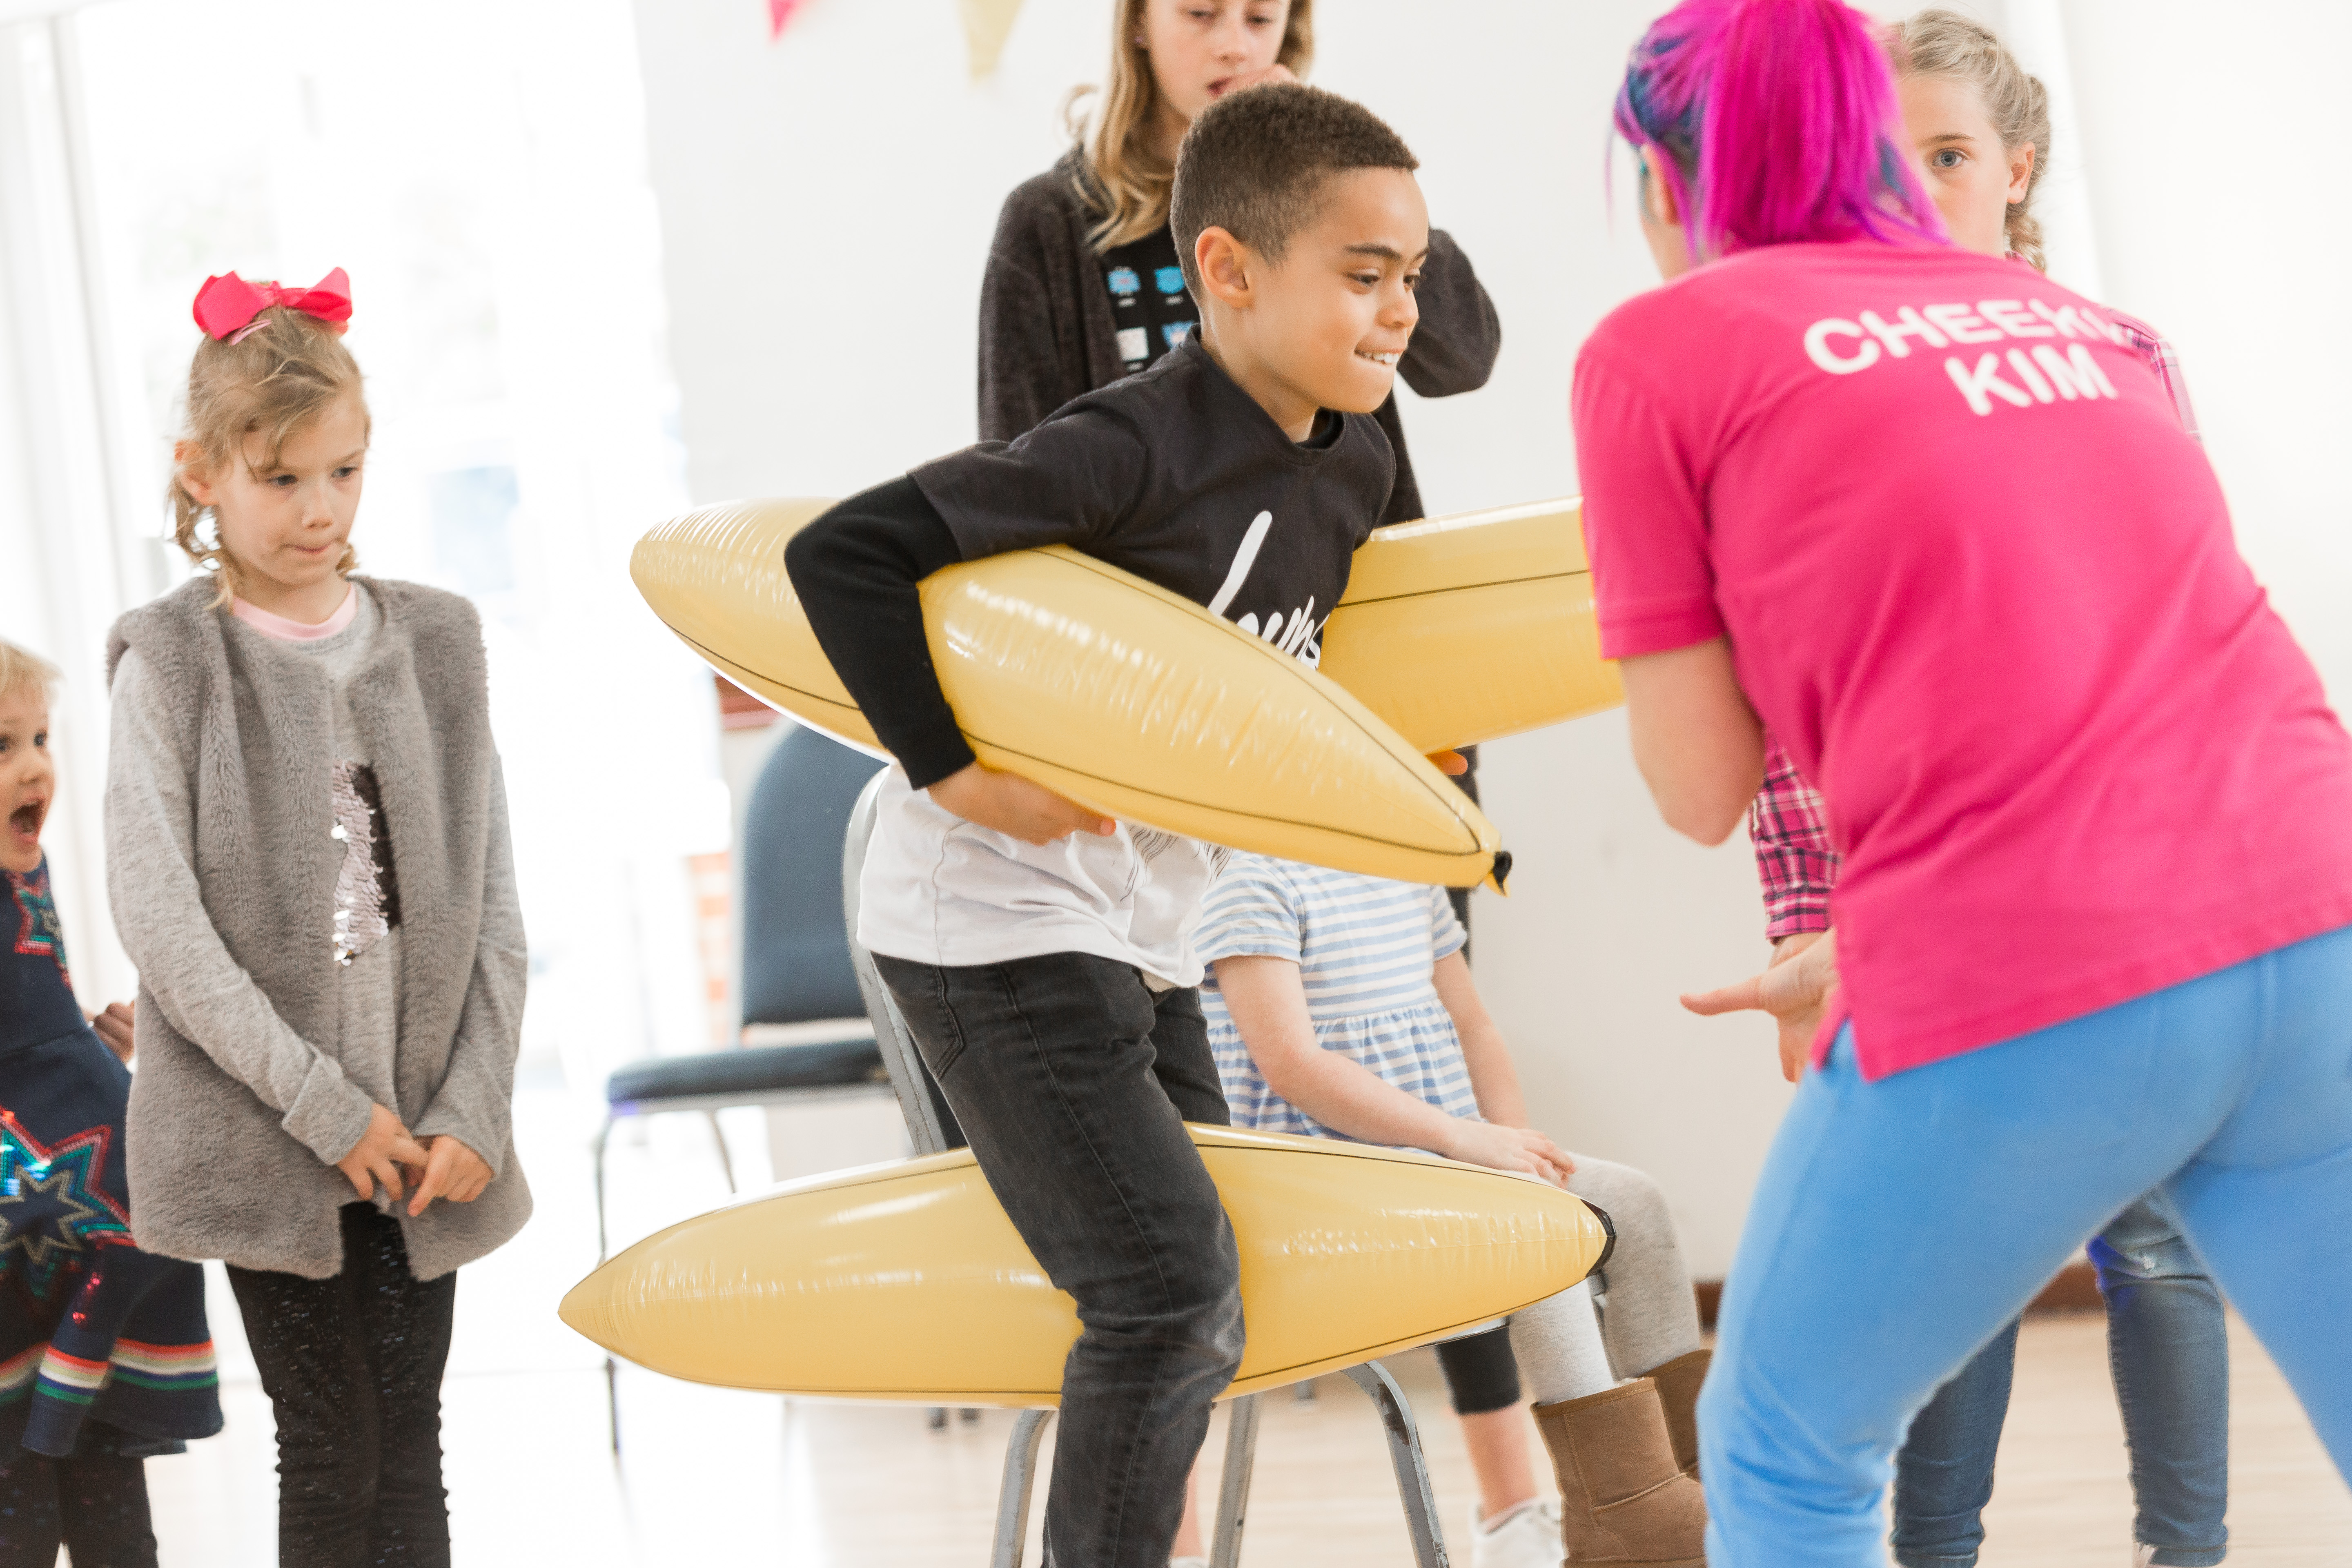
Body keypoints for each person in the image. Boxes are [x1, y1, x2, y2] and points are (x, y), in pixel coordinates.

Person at [1579, 0, 2352, 1563]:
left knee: (1786, 1448)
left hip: (2035, 968)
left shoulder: (1662, 346)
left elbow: (1698, 783)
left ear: (1672, 181)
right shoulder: (2081, 326)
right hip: (2316, 905)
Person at [786, 82, 1428, 1568]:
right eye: (1363, 274)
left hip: (1149, 925)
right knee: (1162, 1287)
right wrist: (957, 775)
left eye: (1411, 275)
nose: (1398, 313)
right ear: (1227, 271)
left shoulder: (1356, 462)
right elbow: (848, 555)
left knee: (1203, 1291)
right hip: (988, 921)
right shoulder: (1129, 442)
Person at [105, 270, 531, 1568]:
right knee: (332, 1448)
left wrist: (474, 1106)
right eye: (283, 478)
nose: (321, 510)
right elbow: (162, 925)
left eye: (344, 472)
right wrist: (325, 1109)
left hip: (424, 1143)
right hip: (266, 1139)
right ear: (202, 475)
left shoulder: (440, 643)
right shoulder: (171, 662)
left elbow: (496, 909)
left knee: (413, 1450)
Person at [981, 0, 1503, 931]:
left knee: (1410, 964)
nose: (1234, 43)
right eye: (1201, 14)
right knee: (1210, 994)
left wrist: (1335, 161)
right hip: (1166, 684)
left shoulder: (1340, 200)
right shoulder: (1053, 222)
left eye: (1262, 18)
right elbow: (1016, 471)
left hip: (1350, 644)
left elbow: (1463, 358)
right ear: (1137, 24)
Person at [1184, 852, 1707, 1568]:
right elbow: (1293, 1065)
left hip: (1447, 1159)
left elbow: (1474, 1026)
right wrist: (1467, 1142)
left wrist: (1518, 1146)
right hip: (1328, 1182)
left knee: (1634, 1204)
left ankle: (1685, 1477)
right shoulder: (1250, 883)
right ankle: (1626, 1513)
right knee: (1530, 1227)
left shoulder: (1405, 868)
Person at [0, 639, 222, 1568]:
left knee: (107, 1486)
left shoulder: (26, 875)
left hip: (76, 1231)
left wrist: (92, 1051)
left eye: (39, 737)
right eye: (1, 747)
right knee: (21, 1507)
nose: (35, 766)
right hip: (30, 1234)